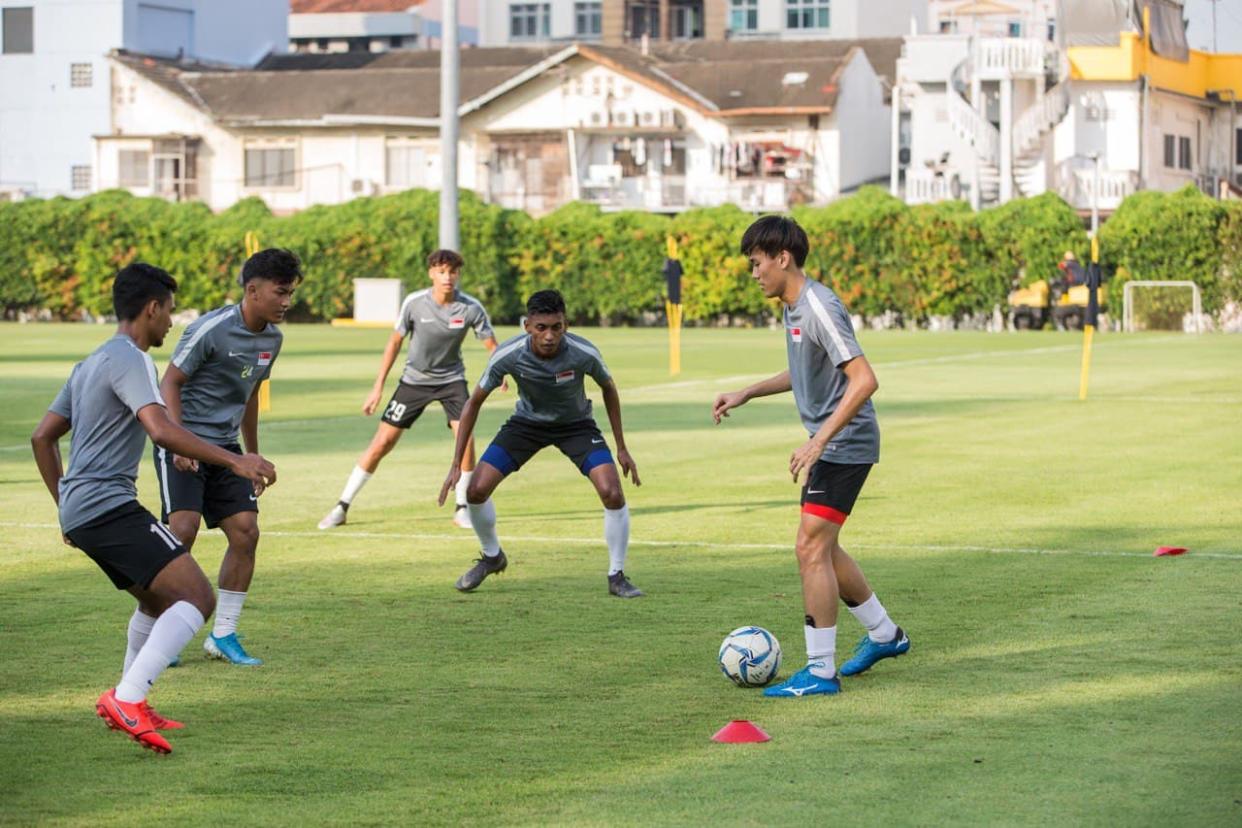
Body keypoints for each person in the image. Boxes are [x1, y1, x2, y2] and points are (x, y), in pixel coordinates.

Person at [30, 263, 275, 754]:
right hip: (109, 506)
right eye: (168, 313)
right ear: (152, 308)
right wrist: (236, 460)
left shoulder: (91, 361)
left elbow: (43, 437)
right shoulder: (133, 360)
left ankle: (131, 698)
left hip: (85, 508)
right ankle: (127, 697)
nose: (170, 324)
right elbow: (161, 430)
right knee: (197, 598)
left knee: (155, 598)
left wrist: (65, 507)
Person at [712, 216, 909, 698]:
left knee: (810, 548)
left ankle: (820, 671)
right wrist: (749, 392)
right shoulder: (792, 306)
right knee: (824, 546)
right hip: (835, 443)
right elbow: (804, 368)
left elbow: (864, 379)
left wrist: (819, 440)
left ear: (783, 258)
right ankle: (885, 635)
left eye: (757, 264)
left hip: (845, 445)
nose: (753, 273)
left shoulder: (818, 306)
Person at [437, 289, 643, 598]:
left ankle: (617, 575)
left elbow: (608, 389)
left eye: (556, 327)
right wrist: (456, 464)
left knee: (612, 492)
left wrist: (622, 448)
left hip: (576, 426)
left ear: (566, 325)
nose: (549, 336)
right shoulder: (508, 355)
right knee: (475, 490)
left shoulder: (583, 353)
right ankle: (492, 556)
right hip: (526, 426)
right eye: (541, 328)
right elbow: (473, 403)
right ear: (527, 326)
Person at [154, 248, 301, 666]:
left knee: (246, 532)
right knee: (182, 530)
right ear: (253, 290)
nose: (287, 301)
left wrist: (251, 454)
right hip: (184, 440)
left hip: (226, 449)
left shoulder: (273, 339)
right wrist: (179, 441)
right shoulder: (210, 329)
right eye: (281, 292)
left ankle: (223, 634)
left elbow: (250, 395)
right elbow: (171, 383)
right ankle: (162, 628)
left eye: (291, 292)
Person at [319, 249, 502, 532]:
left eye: (452, 272)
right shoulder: (414, 303)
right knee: (382, 443)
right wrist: (377, 387)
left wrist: (499, 371)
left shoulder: (470, 308)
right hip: (413, 381)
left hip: (452, 381)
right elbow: (394, 343)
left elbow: (492, 346)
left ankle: (462, 507)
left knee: (465, 441)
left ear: (458, 275)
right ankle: (341, 506)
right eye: (441, 271)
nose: (447, 277)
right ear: (431, 273)